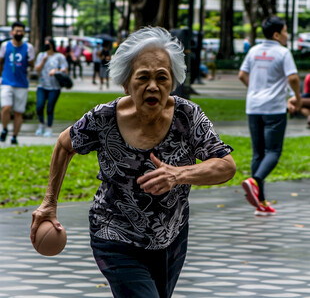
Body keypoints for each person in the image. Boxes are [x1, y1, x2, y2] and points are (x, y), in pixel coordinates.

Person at [30, 27, 236, 298]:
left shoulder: (188, 116)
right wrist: (49, 202)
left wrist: (178, 175)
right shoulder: (103, 119)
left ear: (172, 82)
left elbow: (226, 164)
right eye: (143, 77)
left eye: (162, 77)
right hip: (114, 233)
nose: (153, 86)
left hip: (171, 237)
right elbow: (64, 144)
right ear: (126, 83)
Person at [239, 16, 301, 216]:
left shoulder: (253, 51)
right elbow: (292, 77)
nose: (286, 34)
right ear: (276, 34)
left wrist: (256, 90)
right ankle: (254, 182)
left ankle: (261, 203)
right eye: (284, 31)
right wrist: (297, 98)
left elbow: (242, 75)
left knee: (258, 153)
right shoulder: (283, 53)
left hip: (253, 107)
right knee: (273, 152)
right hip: (274, 109)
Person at [0, 21, 35, 145]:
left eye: (21, 31)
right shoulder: (5, 46)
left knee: (18, 112)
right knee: (6, 107)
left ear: (24, 33)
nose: (18, 33)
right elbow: (1, 61)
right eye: (16, 31)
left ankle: (14, 136)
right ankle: (4, 129)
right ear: (12, 32)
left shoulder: (29, 47)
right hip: (6, 82)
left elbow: (32, 64)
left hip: (21, 83)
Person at [34, 36, 68, 137]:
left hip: (54, 87)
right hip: (42, 86)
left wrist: (56, 71)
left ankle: (49, 128)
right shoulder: (41, 56)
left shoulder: (59, 57)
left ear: (52, 45)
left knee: (50, 108)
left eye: (48, 44)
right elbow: (37, 70)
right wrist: (43, 61)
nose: (46, 46)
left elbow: (65, 70)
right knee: (39, 107)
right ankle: (41, 124)